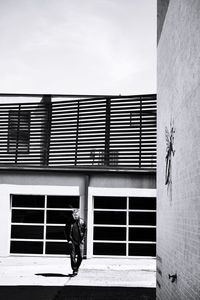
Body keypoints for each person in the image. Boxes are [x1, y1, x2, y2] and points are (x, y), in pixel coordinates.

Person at [65, 209, 86, 276]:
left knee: (81, 256)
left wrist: (83, 239)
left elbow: (85, 231)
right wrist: (69, 240)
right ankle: (75, 269)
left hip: (80, 241)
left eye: (76, 215)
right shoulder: (69, 222)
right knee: (73, 256)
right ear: (72, 215)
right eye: (74, 215)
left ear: (79, 214)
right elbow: (66, 231)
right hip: (72, 241)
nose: (75, 216)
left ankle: (76, 267)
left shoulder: (82, 222)